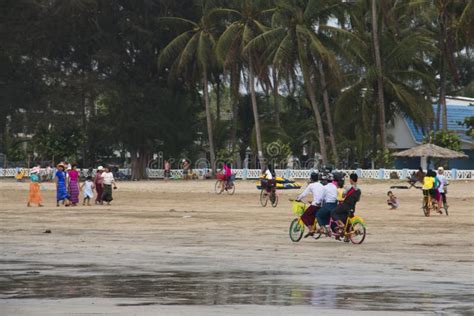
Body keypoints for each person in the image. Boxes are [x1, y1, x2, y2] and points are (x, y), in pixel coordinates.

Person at [296, 172, 324, 237]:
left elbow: (304, 194)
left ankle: (311, 229)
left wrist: (298, 198)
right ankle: (315, 228)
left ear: (311, 179)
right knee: (312, 216)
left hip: (315, 205)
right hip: (321, 204)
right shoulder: (321, 185)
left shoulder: (311, 185)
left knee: (304, 217)